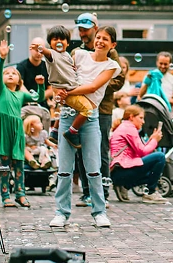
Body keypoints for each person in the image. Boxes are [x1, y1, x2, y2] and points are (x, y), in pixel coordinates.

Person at [51, 26, 121, 228]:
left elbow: (92, 87)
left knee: (93, 168)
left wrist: (67, 92)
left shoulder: (111, 66)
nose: (100, 41)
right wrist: (60, 91)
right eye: (98, 37)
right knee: (64, 169)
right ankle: (61, 212)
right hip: (67, 114)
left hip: (90, 118)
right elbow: (64, 73)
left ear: (112, 45)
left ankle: (99, 212)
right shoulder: (79, 54)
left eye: (105, 39)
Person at [71, 13, 125, 206]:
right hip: (79, 107)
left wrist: (97, 83)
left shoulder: (109, 50)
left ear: (95, 28)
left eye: (86, 29)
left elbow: (119, 80)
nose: (82, 33)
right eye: (80, 29)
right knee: (80, 150)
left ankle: (103, 193)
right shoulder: (77, 52)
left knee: (100, 151)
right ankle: (86, 193)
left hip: (102, 108)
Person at [0, 40, 44, 208]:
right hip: (4, 130)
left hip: (16, 130)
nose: (10, 74)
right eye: (7, 73)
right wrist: (2, 59)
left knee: (19, 162)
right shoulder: (1, 90)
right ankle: (5, 195)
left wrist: (40, 86)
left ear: (19, 80)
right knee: (4, 165)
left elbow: (37, 98)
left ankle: (21, 194)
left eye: (14, 73)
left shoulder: (21, 95)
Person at [39, 26, 94, 149]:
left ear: (67, 43)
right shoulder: (52, 54)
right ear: (50, 43)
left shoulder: (66, 55)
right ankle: (72, 132)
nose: (59, 41)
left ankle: (55, 131)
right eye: (55, 39)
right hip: (65, 90)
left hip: (68, 89)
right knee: (88, 109)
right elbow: (48, 54)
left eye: (62, 39)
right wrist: (42, 49)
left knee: (67, 109)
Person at [109, 105, 166, 204]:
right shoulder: (129, 128)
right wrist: (154, 141)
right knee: (160, 157)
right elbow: (142, 152)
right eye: (141, 118)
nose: (143, 122)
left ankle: (124, 186)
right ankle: (150, 193)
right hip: (121, 171)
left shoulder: (125, 126)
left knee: (153, 173)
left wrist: (151, 140)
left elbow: (140, 151)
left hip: (119, 171)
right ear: (131, 117)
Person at [16, 37, 52, 109]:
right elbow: (20, 85)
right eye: (36, 50)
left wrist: (39, 98)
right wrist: (31, 98)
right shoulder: (22, 66)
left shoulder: (47, 66)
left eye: (41, 50)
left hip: (43, 106)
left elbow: (51, 89)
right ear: (30, 48)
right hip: (26, 104)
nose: (39, 53)